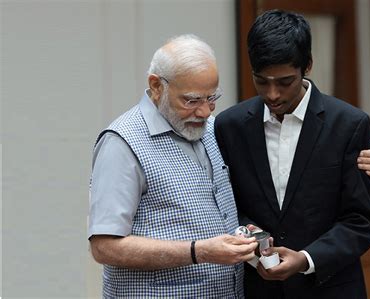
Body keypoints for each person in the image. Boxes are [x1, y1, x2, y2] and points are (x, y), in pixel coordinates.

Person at [214, 10, 370, 298]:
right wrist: (251, 241)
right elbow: (223, 205)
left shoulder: (350, 125)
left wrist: (306, 259)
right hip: (256, 290)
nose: (273, 94)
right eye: (261, 81)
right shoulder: (229, 126)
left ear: (308, 66)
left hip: (330, 289)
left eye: (284, 82)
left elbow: (361, 222)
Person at [88, 34, 259, 298]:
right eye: (191, 100)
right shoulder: (122, 143)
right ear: (156, 86)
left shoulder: (213, 130)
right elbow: (105, 247)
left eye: (211, 98)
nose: (204, 111)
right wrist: (198, 251)